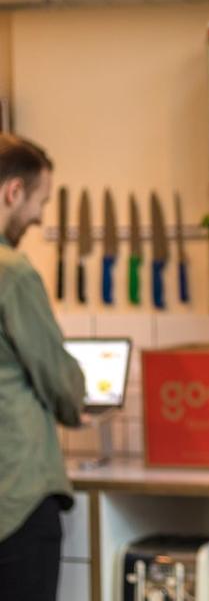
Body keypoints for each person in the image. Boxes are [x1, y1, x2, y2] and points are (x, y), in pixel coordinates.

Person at [0, 134, 85, 601]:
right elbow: (60, 380)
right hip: (14, 498)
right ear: (12, 192)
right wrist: (77, 402)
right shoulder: (11, 272)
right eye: (40, 201)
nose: (39, 217)